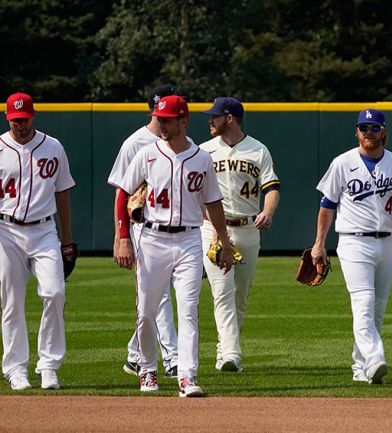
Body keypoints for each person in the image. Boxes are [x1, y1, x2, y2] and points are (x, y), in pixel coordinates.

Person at [116, 95, 234, 397]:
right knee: (146, 311)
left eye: (168, 119)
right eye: (160, 118)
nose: (162, 124)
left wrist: (224, 240)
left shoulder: (202, 158)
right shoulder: (147, 154)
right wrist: (123, 236)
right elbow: (123, 194)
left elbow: (213, 202)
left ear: (183, 121)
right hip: (151, 239)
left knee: (189, 310)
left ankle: (187, 376)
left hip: (188, 240)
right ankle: (147, 368)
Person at [311, 108, 392, 385]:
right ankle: (375, 357)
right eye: (363, 128)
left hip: (387, 242)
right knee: (363, 302)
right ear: (357, 132)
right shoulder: (343, 162)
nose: (368, 133)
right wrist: (319, 244)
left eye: (374, 128)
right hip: (353, 241)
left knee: (377, 308)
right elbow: (327, 206)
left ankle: (361, 366)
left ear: (383, 131)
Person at [199, 97, 281, 373]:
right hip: (212, 229)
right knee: (222, 293)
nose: (210, 120)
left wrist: (268, 212)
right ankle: (233, 355)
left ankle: (224, 350)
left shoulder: (258, 150)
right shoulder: (203, 151)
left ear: (230, 118)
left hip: (248, 228)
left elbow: (271, 188)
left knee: (239, 297)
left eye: (215, 116)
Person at [0, 92, 75, 390]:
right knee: (12, 301)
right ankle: (16, 368)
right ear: (8, 118)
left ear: (34, 115)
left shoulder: (53, 146)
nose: (20, 124)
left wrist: (67, 240)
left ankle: (48, 365)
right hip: (6, 230)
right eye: (14, 120)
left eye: (24, 118)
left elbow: (63, 192)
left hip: (44, 230)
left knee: (55, 293)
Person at [107, 84, 179, 378]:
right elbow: (121, 193)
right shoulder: (134, 143)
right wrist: (120, 236)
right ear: (155, 108)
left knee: (152, 295)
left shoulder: (180, 140)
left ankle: (136, 354)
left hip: (174, 226)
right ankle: (173, 358)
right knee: (158, 294)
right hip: (141, 224)